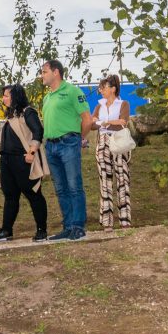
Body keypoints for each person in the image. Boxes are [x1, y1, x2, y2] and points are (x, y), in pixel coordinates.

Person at [40, 59, 93, 241]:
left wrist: (79, 139)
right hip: (51, 146)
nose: (42, 75)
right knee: (61, 189)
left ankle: (78, 226)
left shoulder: (72, 91)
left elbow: (87, 119)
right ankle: (68, 226)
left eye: (44, 72)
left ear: (56, 72)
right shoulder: (47, 97)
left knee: (74, 186)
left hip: (69, 143)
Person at [0, 84, 49, 242]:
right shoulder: (10, 115)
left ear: (16, 96)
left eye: (6, 95)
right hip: (7, 161)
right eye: (3, 96)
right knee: (10, 197)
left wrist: (31, 152)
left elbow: (38, 131)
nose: (3, 98)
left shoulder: (28, 112)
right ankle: (6, 230)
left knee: (33, 195)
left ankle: (41, 230)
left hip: (23, 160)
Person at [92, 74, 132, 230]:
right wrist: (101, 123)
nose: (101, 90)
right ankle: (107, 221)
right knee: (105, 181)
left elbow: (123, 122)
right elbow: (93, 123)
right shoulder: (99, 106)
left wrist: (105, 122)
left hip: (119, 143)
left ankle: (125, 220)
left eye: (104, 87)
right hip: (102, 143)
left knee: (122, 179)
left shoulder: (123, 104)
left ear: (113, 89)